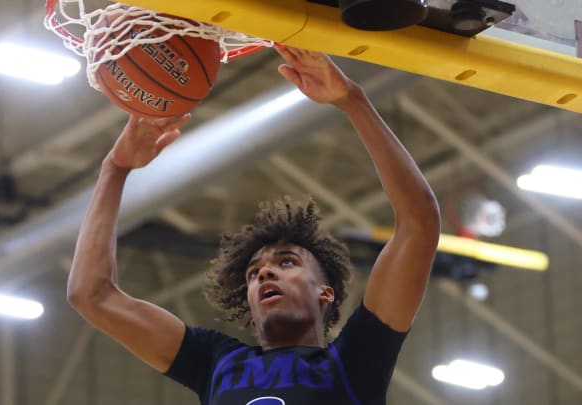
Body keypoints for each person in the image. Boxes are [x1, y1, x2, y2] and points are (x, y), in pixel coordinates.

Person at [67, 45, 440, 405]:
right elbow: (91, 295)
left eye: (286, 262)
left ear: (325, 293)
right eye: (253, 273)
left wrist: (351, 99)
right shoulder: (215, 362)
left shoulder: (355, 360)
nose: (263, 276)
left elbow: (419, 224)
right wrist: (114, 169)